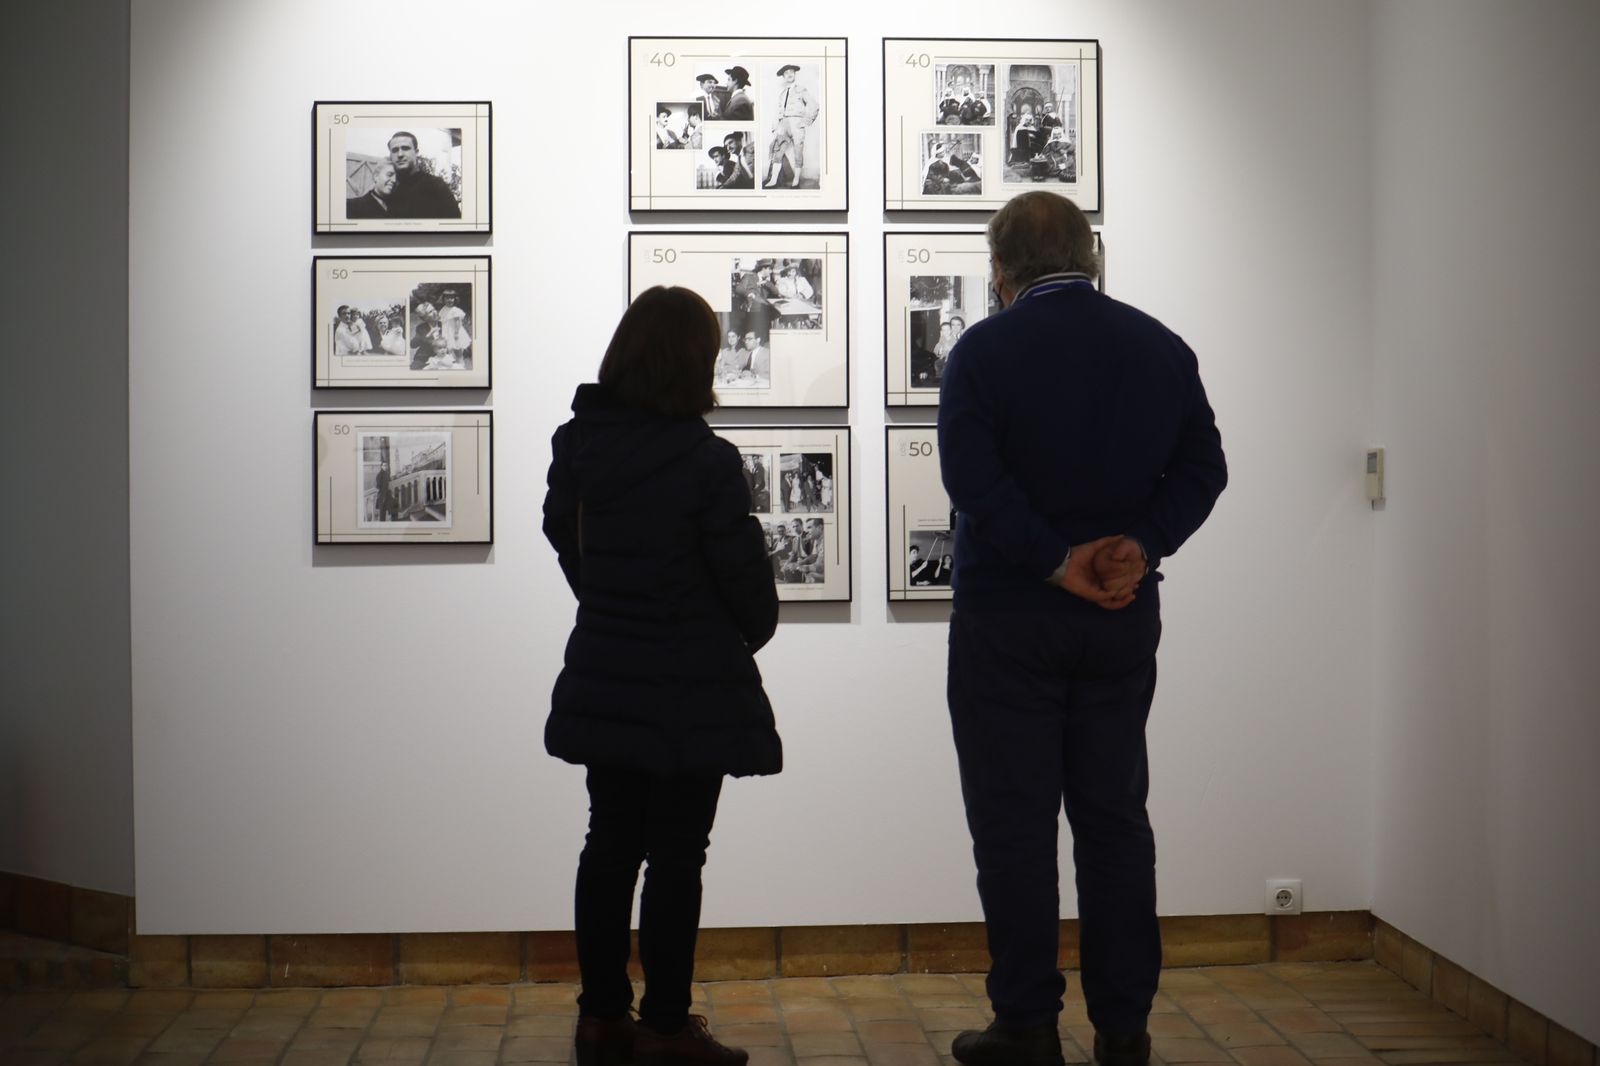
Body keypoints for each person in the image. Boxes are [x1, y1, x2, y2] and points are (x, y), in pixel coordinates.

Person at [937, 191, 1227, 1066]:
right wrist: (1138, 546)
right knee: (1115, 822)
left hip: (1008, 618)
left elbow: (972, 483)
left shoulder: (982, 352)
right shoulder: (1158, 345)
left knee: (1014, 826)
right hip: (1120, 619)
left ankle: (1026, 1022)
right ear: (1090, 257)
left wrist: (1055, 561)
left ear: (999, 269)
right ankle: (1124, 1027)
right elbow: (1204, 469)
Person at [543, 286, 779, 1066]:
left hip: (608, 671)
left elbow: (564, 537)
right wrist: (730, 634)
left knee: (608, 844)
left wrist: (610, 606)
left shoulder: (579, 446)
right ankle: (667, 1028)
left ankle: (602, 1019)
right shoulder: (706, 462)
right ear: (695, 363)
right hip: (692, 689)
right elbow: (748, 590)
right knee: (678, 854)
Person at [384, 130, 461, 219]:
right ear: (390, 156)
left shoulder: (435, 186)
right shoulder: (388, 188)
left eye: (405, 148)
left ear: (416, 152)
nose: (400, 154)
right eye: (395, 150)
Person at [765, 64, 818, 188]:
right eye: (786, 73)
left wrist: (806, 121)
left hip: (796, 123)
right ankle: (773, 180)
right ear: (783, 77)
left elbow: (814, 105)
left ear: (794, 74)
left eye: (791, 72)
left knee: (798, 151)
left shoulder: (801, 90)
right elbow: (778, 112)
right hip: (783, 125)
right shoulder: (782, 93)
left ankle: (796, 179)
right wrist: (775, 127)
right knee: (778, 152)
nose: (789, 74)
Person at [437, 289, 472, 367]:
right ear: (443, 299)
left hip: (454, 332)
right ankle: (453, 364)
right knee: (449, 350)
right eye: (447, 298)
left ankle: (461, 364)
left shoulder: (455, 310)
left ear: (455, 299)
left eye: (452, 298)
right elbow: (442, 321)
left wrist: (456, 333)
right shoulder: (443, 309)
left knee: (457, 349)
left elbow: (458, 322)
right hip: (446, 332)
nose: (449, 300)